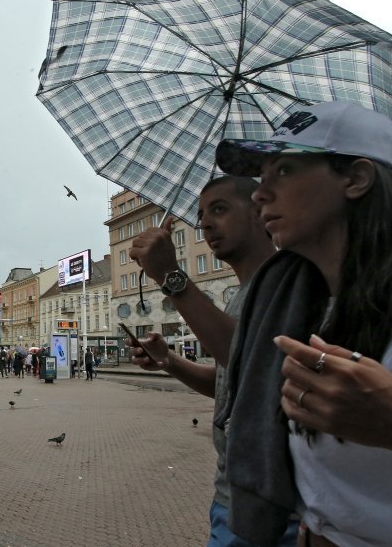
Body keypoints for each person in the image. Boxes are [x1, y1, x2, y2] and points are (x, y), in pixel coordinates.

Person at [215, 100, 392, 546]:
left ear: (356, 179)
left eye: (284, 171)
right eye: (262, 176)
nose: (259, 192)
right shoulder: (302, 303)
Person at [128, 175, 286, 547]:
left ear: (261, 210)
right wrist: (169, 360)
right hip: (231, 496)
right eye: (201, 215)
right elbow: (232, 384)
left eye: (220, 209)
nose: (206, 223)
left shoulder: (283, 284)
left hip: (268, 510)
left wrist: (170, 275)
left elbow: (250, 360)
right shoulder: (241, 295)